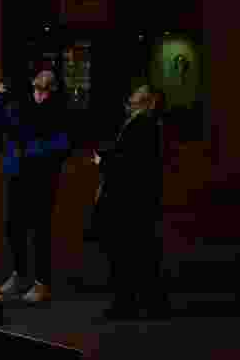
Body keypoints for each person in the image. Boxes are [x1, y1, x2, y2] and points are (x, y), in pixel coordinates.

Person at [93, 85, 170, 319]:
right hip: (140, 200)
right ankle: (147, 302)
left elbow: (129, 163)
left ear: (144, 101)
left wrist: (102, 161)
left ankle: (127, 304)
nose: (130, 97)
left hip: (129, 201)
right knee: (140, 253)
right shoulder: (146, 124)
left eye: (136, 94)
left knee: (126, 253)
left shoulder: (141, 124)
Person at [0, 69, 70, 303]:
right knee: (13, 226)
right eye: (37, 87)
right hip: (17, 173)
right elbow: (0, 127)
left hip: (41, 178)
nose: (40, 93)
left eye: (46, 88)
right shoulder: (21, 106)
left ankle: (42, 282)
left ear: (54, 89)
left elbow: (60, 145)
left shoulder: (59, 111)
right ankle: (20, 274)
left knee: (40, 231)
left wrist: (29, 152)